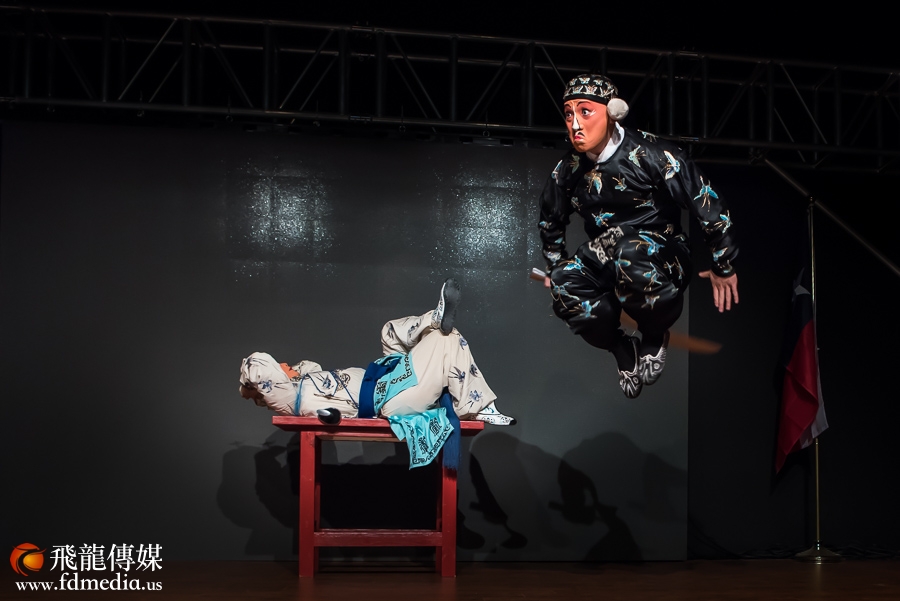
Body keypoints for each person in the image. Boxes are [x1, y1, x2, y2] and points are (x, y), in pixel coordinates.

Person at [538, 74, 739, 398]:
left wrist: (723, 265)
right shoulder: (568, 170)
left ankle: (654, 334)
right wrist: (555, 266)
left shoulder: (654, 154)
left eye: (585, 112)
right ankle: (621, 349)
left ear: (612, 113)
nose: (575, 124)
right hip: (606, 252)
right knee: (564, 281)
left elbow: (706, 203)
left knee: (629, 250)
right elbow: (550, 221)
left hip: (661, 252)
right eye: (568, 114)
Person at [238, 278, 516, 466]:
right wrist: (252, 389)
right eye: (281, 367)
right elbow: (261, 370)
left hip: (386, 377)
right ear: (274, 379)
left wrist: (293, 373)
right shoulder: (303, 401)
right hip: (390, 399)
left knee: (389, 332)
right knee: (447, 338)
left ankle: (434, 318)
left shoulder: (306, 380)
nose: (286, 365)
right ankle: (477, 406)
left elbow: (307, 366)